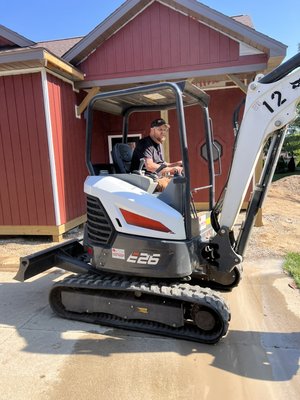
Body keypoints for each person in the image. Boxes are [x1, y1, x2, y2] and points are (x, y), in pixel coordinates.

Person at [130, 118, 183, 191]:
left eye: (165, 130)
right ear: (152, 130)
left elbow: (161, 164)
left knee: (182, 184)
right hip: (146, 180)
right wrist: (171, 169)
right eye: (160, 129)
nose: (163, 132)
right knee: (171, 189)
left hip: (156, 177)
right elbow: (150, 166)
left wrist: (176, 164)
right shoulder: (145, 143)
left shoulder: (158, 144)